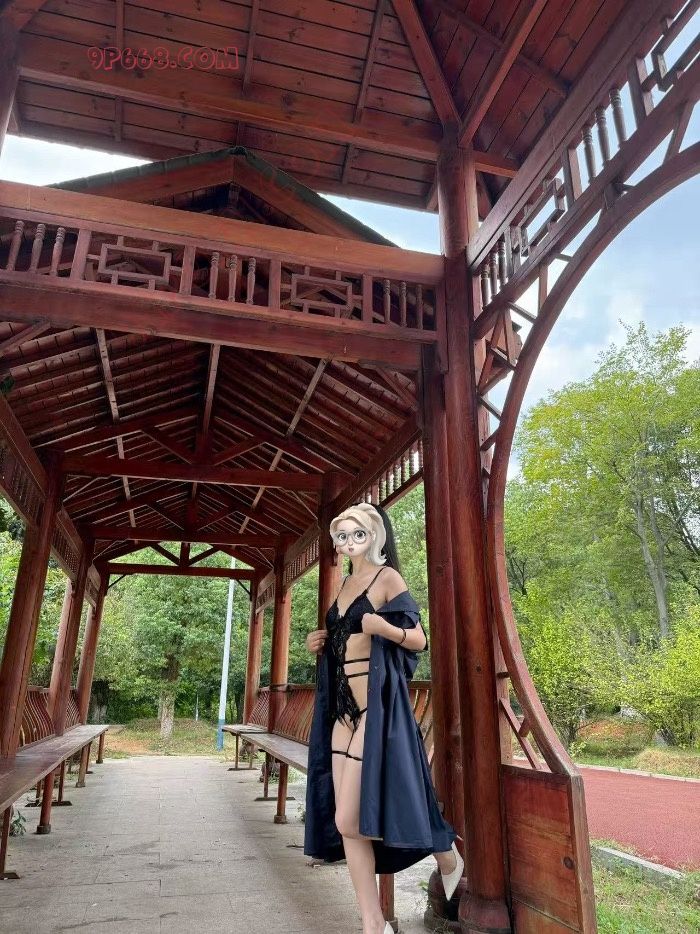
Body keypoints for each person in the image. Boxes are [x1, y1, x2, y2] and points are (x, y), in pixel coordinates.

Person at [303, 502, 464, 934]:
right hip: (341, 710)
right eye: (342, 536)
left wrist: (383, 628)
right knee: (348, 824)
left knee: (347, 819)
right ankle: (374, 925)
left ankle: (444, 851)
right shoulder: (344, 584)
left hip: (374, 709)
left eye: (358, 534)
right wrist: (319, 641)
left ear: (374, 535)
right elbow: (343, 640)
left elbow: (419, 639)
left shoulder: (387, 577)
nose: (349, 542)